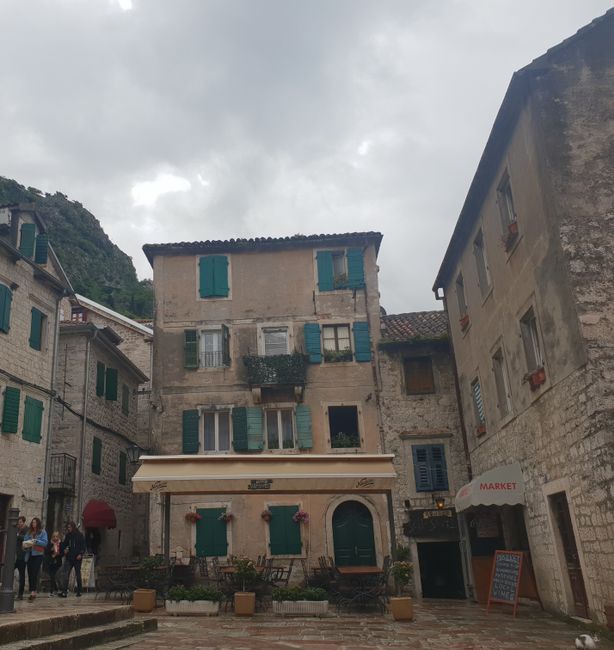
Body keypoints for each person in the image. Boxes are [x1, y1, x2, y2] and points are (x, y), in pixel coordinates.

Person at [23, 517, 48, 601]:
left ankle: (33, 592)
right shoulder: (29, 532)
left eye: (35, 522)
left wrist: (36, 541)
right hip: (29, 554)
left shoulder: (42, 532)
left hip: (38, 555)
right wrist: (26, 545)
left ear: (38, 523)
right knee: (30, 573)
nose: (33, 524)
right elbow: (25, 542)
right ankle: (32, 590)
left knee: (34, 572)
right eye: (32, 522)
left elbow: (45, 543)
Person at [58, 521, 86, 598]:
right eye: (68, 527)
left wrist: (81, 554)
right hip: (69, 558)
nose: (69, 529)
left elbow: (83, 546)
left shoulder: (80, 535)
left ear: (73, 527)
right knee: (66, 574)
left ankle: (79, 591)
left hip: (77, 558)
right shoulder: (68, 536)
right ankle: (64, 591)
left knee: (78, 574)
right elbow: (65, 544)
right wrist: (63, 548)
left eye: (70, 527)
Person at [14, 516, 28, 600]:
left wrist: (18, 536)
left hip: (22, 556)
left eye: (20, 522)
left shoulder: (26, 530)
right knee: (8, 570)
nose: (19, 524)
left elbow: (26, 539)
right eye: (18, 522)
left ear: (23, 522)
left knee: (22, 575)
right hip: (16, 556)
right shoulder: (18, 530)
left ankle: (20, 594)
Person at [45, 531, 63, 596]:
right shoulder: (50, 544)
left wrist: (58, 554)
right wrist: (51, 550)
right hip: (51, 562)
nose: (55, 538)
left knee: (55, 576)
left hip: (58, 562)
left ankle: (54, 590)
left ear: (58, 537)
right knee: (52, 576)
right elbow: (46, 552)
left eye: (56, 536)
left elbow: (62, 553)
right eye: (54, 536)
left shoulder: (61, 544)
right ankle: (54, 590)